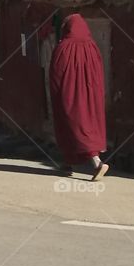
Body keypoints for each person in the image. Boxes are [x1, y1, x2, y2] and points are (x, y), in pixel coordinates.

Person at [49, 13, 108, 181]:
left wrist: (57, 94)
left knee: (74, 124)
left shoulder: (63, 47)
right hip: (91, 97)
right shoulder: (92, 47)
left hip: (68, 96)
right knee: (87, 123)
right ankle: (68, 162)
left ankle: (97, 163)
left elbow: (56, 74)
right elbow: (99, 74)